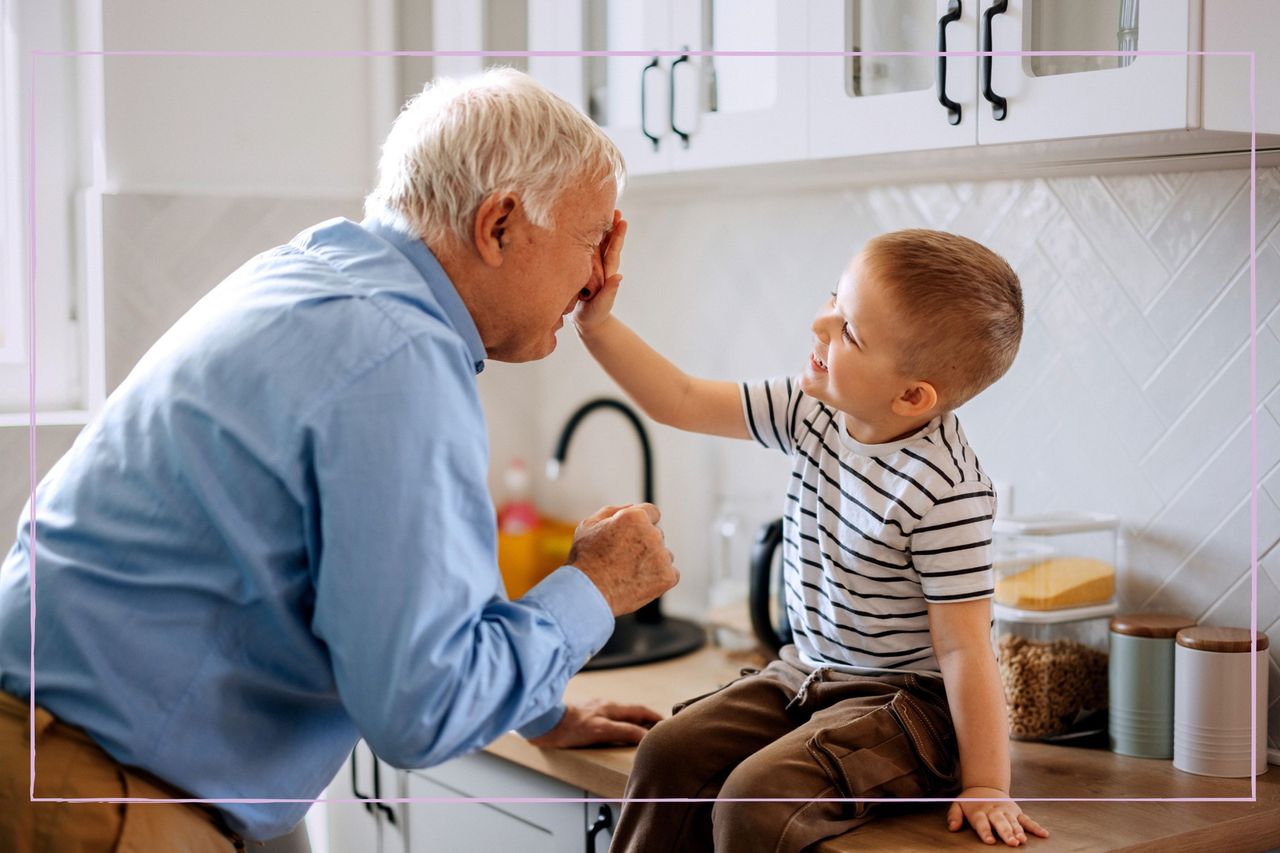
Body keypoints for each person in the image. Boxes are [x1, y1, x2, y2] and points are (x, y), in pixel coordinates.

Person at [0, 68, 679, 850]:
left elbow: (421, 581)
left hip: (54, 750)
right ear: (499, 225)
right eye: (594, 239)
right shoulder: (398, 355)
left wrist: (542, 709)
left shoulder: (318, 281)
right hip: (95, 795)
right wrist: (594, 586)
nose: (601, 279)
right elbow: (422, 710)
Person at [577, 223, 1052, 850]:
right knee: (668, 753)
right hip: (805, 673)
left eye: (849, 330)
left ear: (912, 395)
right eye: (835, 299)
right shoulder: (813, 409)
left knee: (753, 800)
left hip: (907, 706)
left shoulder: (946, 489)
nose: (820, 324)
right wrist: (596, 325)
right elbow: (682, 398)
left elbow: (966, 650)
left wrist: (987, 784)